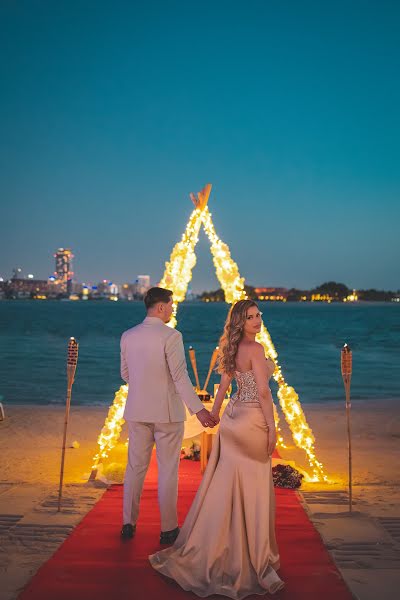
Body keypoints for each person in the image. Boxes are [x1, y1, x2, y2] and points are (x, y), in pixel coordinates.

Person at [149, 299, 284, 597]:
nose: (258, 320)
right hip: (252, 421)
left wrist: (215, 415)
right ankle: (252, 555)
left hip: (233, 420)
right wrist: (273, 427)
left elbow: (223, 387)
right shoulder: (257, 349)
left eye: (259, 315)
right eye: (251, 317)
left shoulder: (232, 347)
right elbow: (262, 391)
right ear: (241, 321)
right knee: (255, 485)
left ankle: (212, 547)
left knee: (226, 483)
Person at [120, 287, 217, 544]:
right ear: (161, 307)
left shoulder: (127, 336)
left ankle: (128, 523)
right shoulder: (171, 335)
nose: (173, 309)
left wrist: (144, 385)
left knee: (134, 469)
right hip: (166, 414)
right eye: (171, 304)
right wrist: (199, 409)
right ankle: (168, 528)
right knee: (167, 471)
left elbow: (125, 374)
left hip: (137, 410)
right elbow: (180, 377)